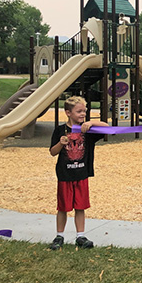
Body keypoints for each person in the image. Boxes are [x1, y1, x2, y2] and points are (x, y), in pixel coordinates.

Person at [48, 96, 108, 250]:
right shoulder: (60, 130)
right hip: (65, 175)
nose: (82, 114)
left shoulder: (88, 130)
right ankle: (59, 236)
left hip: (82, 174)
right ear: (68, 112)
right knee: (63, 207)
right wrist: (60, 143)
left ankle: (80, 236)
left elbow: (107, 127)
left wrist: (92, 122)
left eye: (84, 111)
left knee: (80, 206)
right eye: (79, 111)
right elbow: (52, 152)